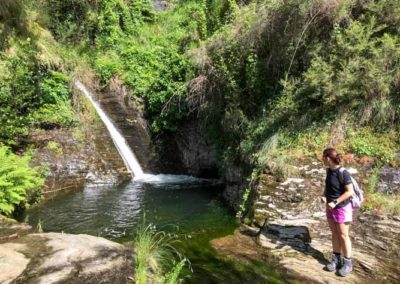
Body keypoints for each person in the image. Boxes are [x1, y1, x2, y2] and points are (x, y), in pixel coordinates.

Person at [321, 148, 354, 277]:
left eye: (323, 157)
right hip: (330, 208)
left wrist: (335, 202)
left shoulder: (343, 173)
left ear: (328, 158)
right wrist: (324, 196)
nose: (322, 159)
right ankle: (336, 260)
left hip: (342, 208)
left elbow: (349, 191)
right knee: (335, 233)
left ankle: (348, 263)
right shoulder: (328, 171)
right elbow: (328, 187)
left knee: (343, 236)